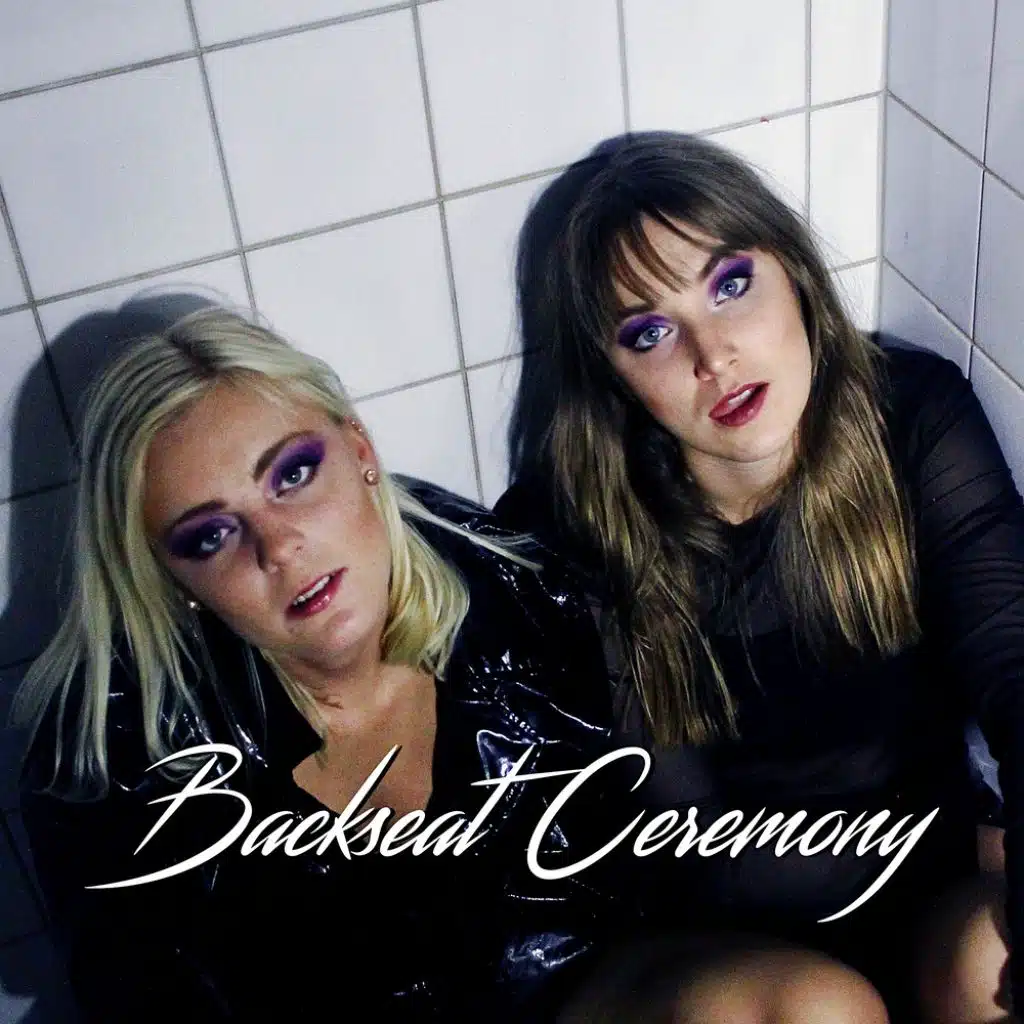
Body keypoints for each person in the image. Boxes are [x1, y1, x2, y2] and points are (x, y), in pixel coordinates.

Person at [496, 131, 1024, 1024]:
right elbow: (691, 848)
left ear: (795, 275)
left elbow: (1012, 657)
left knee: (991, 959)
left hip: (921, 895)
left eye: (730, 285)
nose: (714, 356)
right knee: (824, 1012)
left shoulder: (913, 416)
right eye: (650, 332)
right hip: (709, 942)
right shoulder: (575, 531)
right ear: (612, 378)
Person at [12, 306, 641, 1023]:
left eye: (293, 475)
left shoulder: (520, 596)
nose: (279, 547)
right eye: (210, 536)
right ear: (172, 580)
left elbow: (628, 888)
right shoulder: (119, 778)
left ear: (360, 449)